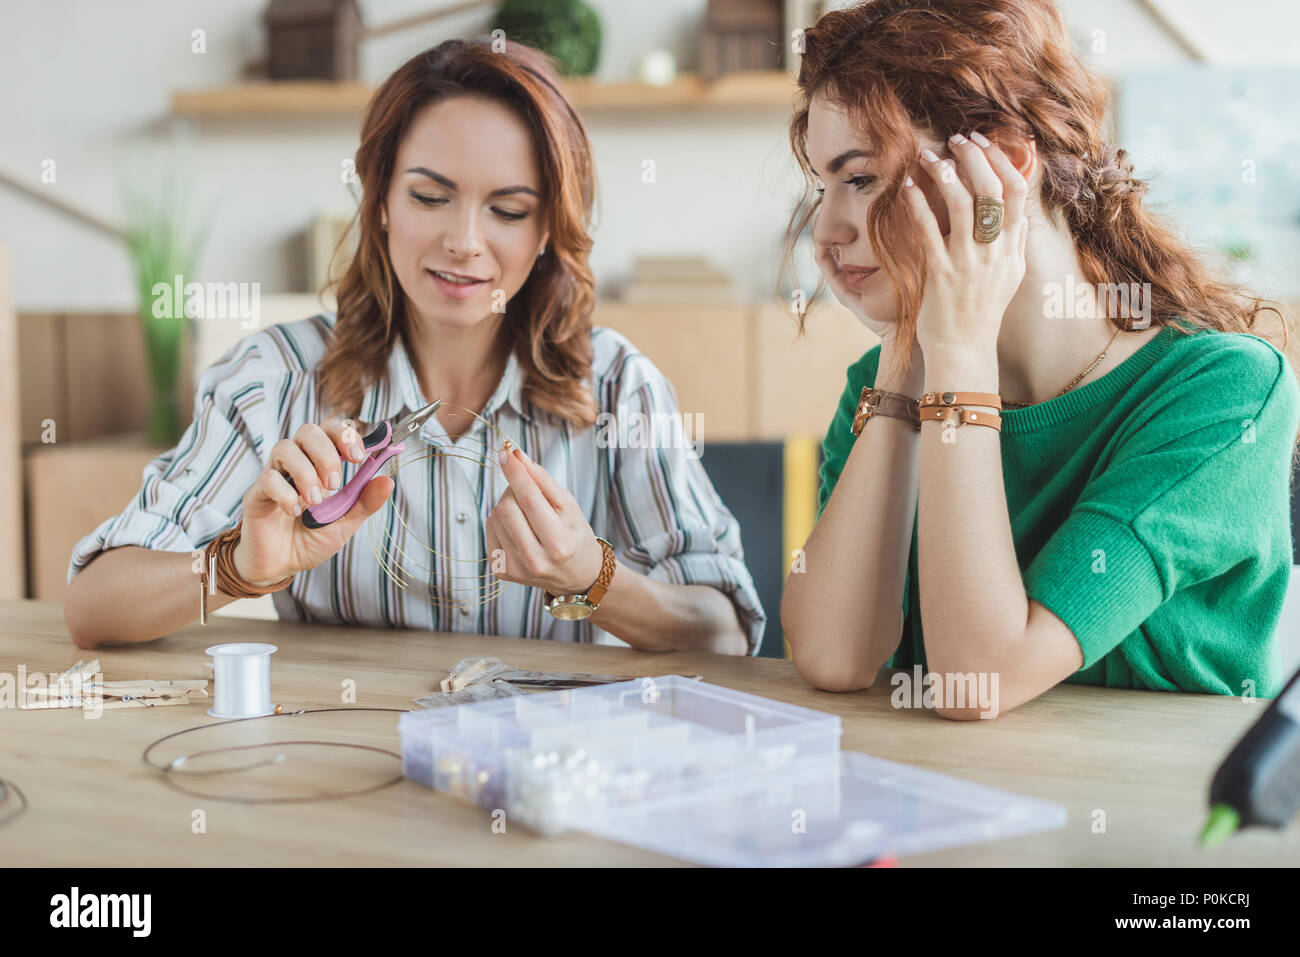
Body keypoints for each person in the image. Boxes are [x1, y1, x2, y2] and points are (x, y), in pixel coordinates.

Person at [66, 38, 763, 656]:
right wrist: (235, 569)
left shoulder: (619, 387)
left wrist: (592, 575)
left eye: (509, 210)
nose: (464, 240)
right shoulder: (271, 379)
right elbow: (93, 604)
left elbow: (725, 629)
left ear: (548, 227)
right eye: (430, 196)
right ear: (379, 203)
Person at [779, 0, 1300, 717]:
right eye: (822, 186)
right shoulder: (886, 385)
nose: (826, 233)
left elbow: (979, 679)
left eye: (861, 179)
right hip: (957, 813)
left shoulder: (1224, 390)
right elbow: (834, 658)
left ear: (1003, 167)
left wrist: (957, 347)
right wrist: (913, 354)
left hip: (1146, 821)